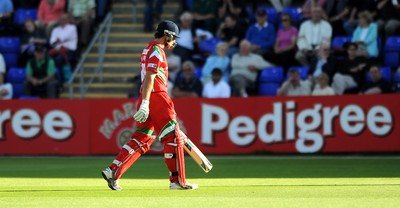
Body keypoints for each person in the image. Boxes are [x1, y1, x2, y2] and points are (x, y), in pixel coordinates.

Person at [101, 20, 199, 191]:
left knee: (142, 138)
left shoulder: (148, 48)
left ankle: (113, 170)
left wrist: (144, 102)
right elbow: (150, 77)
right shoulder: (156, 51)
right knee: (173, 138)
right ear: (166, 35)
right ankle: (177, 181)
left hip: (147, 97)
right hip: (157, 97)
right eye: (173, 37)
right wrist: (146, 103)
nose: (174, 41)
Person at [49, 13, 78, 83]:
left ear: (68, 20)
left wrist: (57, 42)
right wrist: (57, 42)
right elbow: (51, 42)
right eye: (61, 19)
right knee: (47, 58)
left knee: (59, 58)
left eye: (64, 19)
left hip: (69, 50)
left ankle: (61, 80)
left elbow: (63, 38)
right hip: (57, 50)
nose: (62, 21)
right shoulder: (55, 30)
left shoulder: (72, 28)